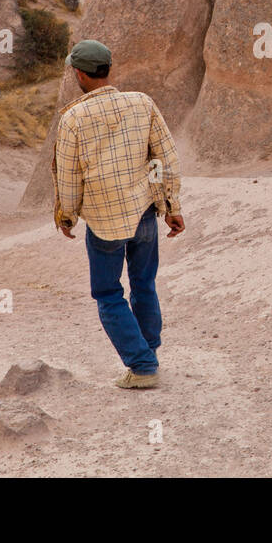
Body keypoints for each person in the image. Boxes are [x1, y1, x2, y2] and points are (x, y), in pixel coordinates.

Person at [52, 39, 184, 390]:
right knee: (144, 284)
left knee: (108, 293)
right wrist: (171, 207)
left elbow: (69, 177)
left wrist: (66, 215)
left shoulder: (72, 118)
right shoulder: (142, 103)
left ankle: (142, 367)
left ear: (79, 73)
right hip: (143, 214)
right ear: (108, 69)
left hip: (104, 220)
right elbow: (165, 159)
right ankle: (148, 351)